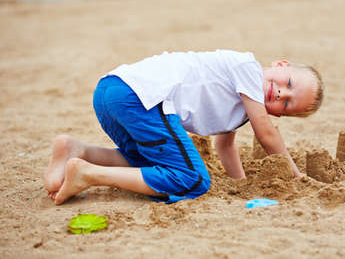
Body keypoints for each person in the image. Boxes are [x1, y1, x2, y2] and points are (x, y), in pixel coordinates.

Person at [43, 50, 324, 205]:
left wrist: (240, 184)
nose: (279, 94)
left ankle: (77, 151)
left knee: (150, 163)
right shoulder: (247, 68)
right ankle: (89, 174)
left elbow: (224, 145)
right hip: (139, 97)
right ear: (280, 64)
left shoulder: (244, 107)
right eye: (287, 83)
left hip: (110, 91)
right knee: (193, 179)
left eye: (286, 104)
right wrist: (294, 173)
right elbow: (266, 135)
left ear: (280, 114)